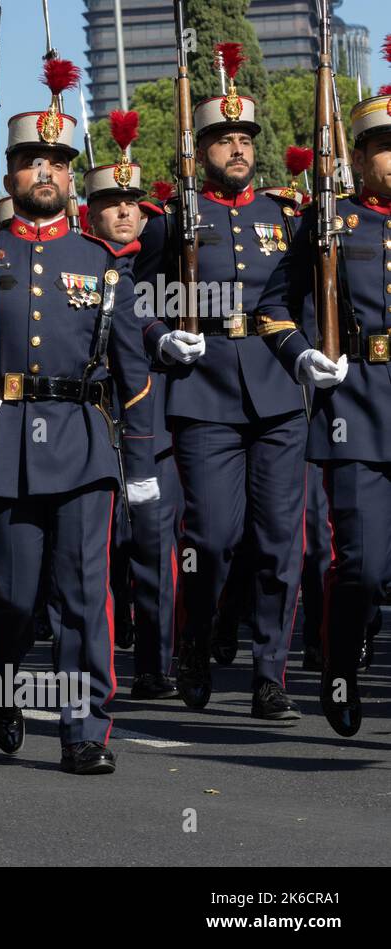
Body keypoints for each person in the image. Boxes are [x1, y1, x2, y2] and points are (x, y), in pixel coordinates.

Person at [0, 61, 157, 775]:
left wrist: (139, 466)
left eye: (57, 160)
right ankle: (2, 678)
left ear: (72, 175)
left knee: (85, 596)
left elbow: (132, 372)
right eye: (30, 160)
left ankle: (86, 732)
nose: (44, 171)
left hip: (82, 441)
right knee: (15, 595)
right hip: (7, 439)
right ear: (10, 175)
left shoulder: (103, 262)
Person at [135, 43, 306, 720]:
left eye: (244, 139)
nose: (236, 149)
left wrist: (310, 359)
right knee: (211, 537)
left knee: (277, 539)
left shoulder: (285, 218)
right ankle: (196, 642)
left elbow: (304, 301)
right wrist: (159, 337)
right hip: (203, 390)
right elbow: (136, 304)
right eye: (222, 139)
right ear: (199, 148)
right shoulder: (173, 222)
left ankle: (271, 671)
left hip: (275, 391)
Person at [253, 85, 391, 737]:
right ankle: (339, 670)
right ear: (359, 158)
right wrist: (304, 356)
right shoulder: (329, 220)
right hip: (356, 407)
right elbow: (273, 308)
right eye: (384, 148)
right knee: (359, 563)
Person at [83, 112, 180, 700]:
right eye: (112, 203)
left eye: (133, 203)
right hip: (90, 420)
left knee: (153, 543)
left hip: (151, 420)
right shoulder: (73, 260)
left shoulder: (157, 262)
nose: (125, 212)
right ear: (89, 214)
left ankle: (155, 660)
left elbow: (181, 222)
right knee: (96, 551)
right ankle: (102, 661)